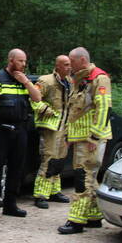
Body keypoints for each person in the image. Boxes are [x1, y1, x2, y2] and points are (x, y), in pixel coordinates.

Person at [57, 47, 112, 234]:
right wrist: (69, 136)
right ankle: (94, 216)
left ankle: (76, 221)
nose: (69, 65)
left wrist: (95, 136)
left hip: (91, 139)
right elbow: (75, 111)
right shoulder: (79, 79)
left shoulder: (99, 78)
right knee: (90, 178)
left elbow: (104, 108)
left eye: (71, 62)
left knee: (83, 178)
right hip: (80, 138)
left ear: (82, 60)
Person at [0, 49, 42, 220]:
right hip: (1, 129)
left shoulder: (24, 80)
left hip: (20, 129)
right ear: (11, 60)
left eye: (25, 61)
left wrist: (26, 82)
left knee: (17, 168)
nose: (23, 64)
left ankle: (10, 205)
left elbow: (37, 98)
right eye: (20, 61)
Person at [32, 55, 72, 209]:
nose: (69, 67)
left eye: (70, 64)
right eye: (66, 65)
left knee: (59, 159)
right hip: (51, 127)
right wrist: (46, 110)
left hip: (65, 126)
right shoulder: (46, 81)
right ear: (58, 66)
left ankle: (54, 191)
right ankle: (40, 195)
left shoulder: (69, 82)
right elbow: (34, 98)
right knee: (48, 158)